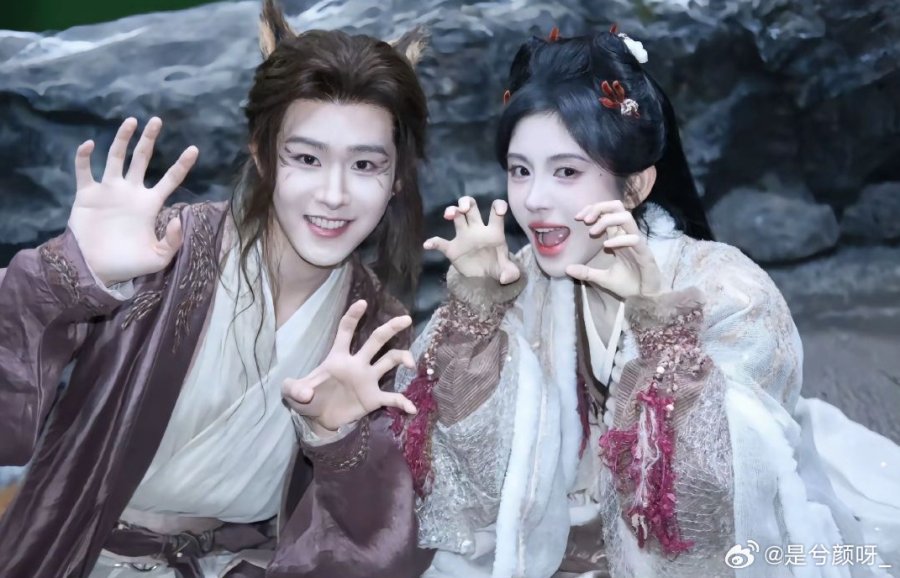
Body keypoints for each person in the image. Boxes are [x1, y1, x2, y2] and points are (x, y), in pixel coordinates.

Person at [384, 27, 900, 578]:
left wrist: (662, 333)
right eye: (520, 170)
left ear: (635, 186)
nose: (534, 200)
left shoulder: (728, 289)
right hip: (570, 529)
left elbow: (714, 505)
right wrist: (476, 313)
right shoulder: (519, 280)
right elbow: (465, 479)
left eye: (567, 171)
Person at [0, 1, 431, 576]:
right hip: (82, 556)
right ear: (262, 152)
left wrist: (336, 441)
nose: (333, 194)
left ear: (397, 176)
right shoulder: (163, 249)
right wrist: (63, 277)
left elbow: (374, 550)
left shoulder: (377, 331)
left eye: (365, 166)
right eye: (306, 158)